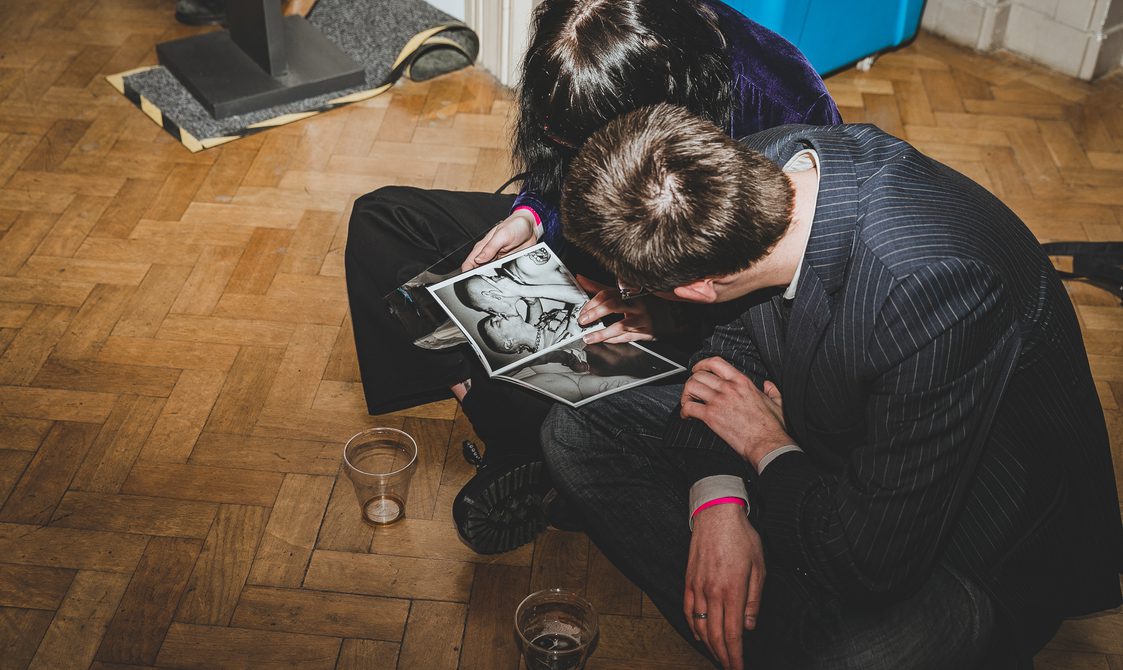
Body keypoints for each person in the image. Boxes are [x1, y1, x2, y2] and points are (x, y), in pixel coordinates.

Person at [544, 104, 1123, 669]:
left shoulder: (934, 291)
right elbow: (728, 353)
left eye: (632, 283)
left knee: (843, 652)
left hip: (969, 533)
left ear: (695, 290)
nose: (622, 289)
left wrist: (766, 447)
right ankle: (752, 589)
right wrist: (718, 500)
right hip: (826, 440)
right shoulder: (763, 174)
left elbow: (873, 562)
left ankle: (751, 606)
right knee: (575, 428)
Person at [344, 0, 842, 553]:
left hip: (690, 299)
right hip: (588, 245)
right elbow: (559, 168)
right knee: (382, 219)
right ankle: (493, 409)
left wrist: (668, 312)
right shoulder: (578, 51)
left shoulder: (781, 103)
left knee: (600, 402)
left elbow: (780, 297)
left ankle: (524, 434)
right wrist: (529, 214)